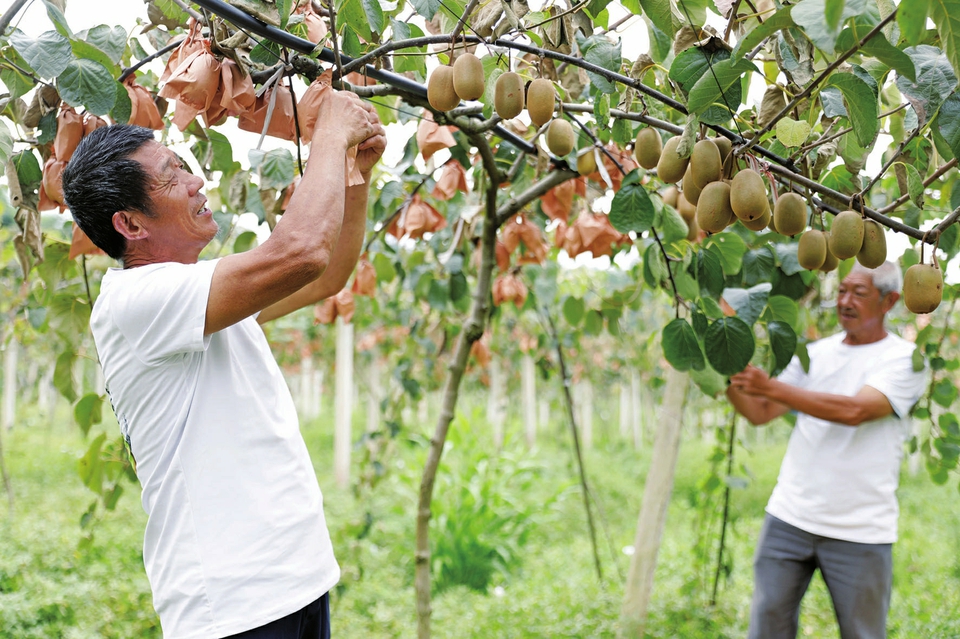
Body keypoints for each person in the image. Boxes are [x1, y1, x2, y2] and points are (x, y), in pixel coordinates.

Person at [60, 88, 385, 639]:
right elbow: (300, 252)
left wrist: (355, 174)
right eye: (172, 177)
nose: (197, 182)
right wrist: (330, 134)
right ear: (131, 225)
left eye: (186, 167)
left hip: (294, 581)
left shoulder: (200, 298)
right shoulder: (137, 302)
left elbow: (326, 275)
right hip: (233, 605)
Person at [725, 261, 927, 639]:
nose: (845, 301)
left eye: (859, 293)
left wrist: (768, 386)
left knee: (862, 633)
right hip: (789, 516)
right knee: (767, 626)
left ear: (890, 301)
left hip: (860, 530)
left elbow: (855, 410)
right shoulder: (815, 353)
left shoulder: (905, 359)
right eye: (841, 291)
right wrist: (726, 362)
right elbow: (760, 411)